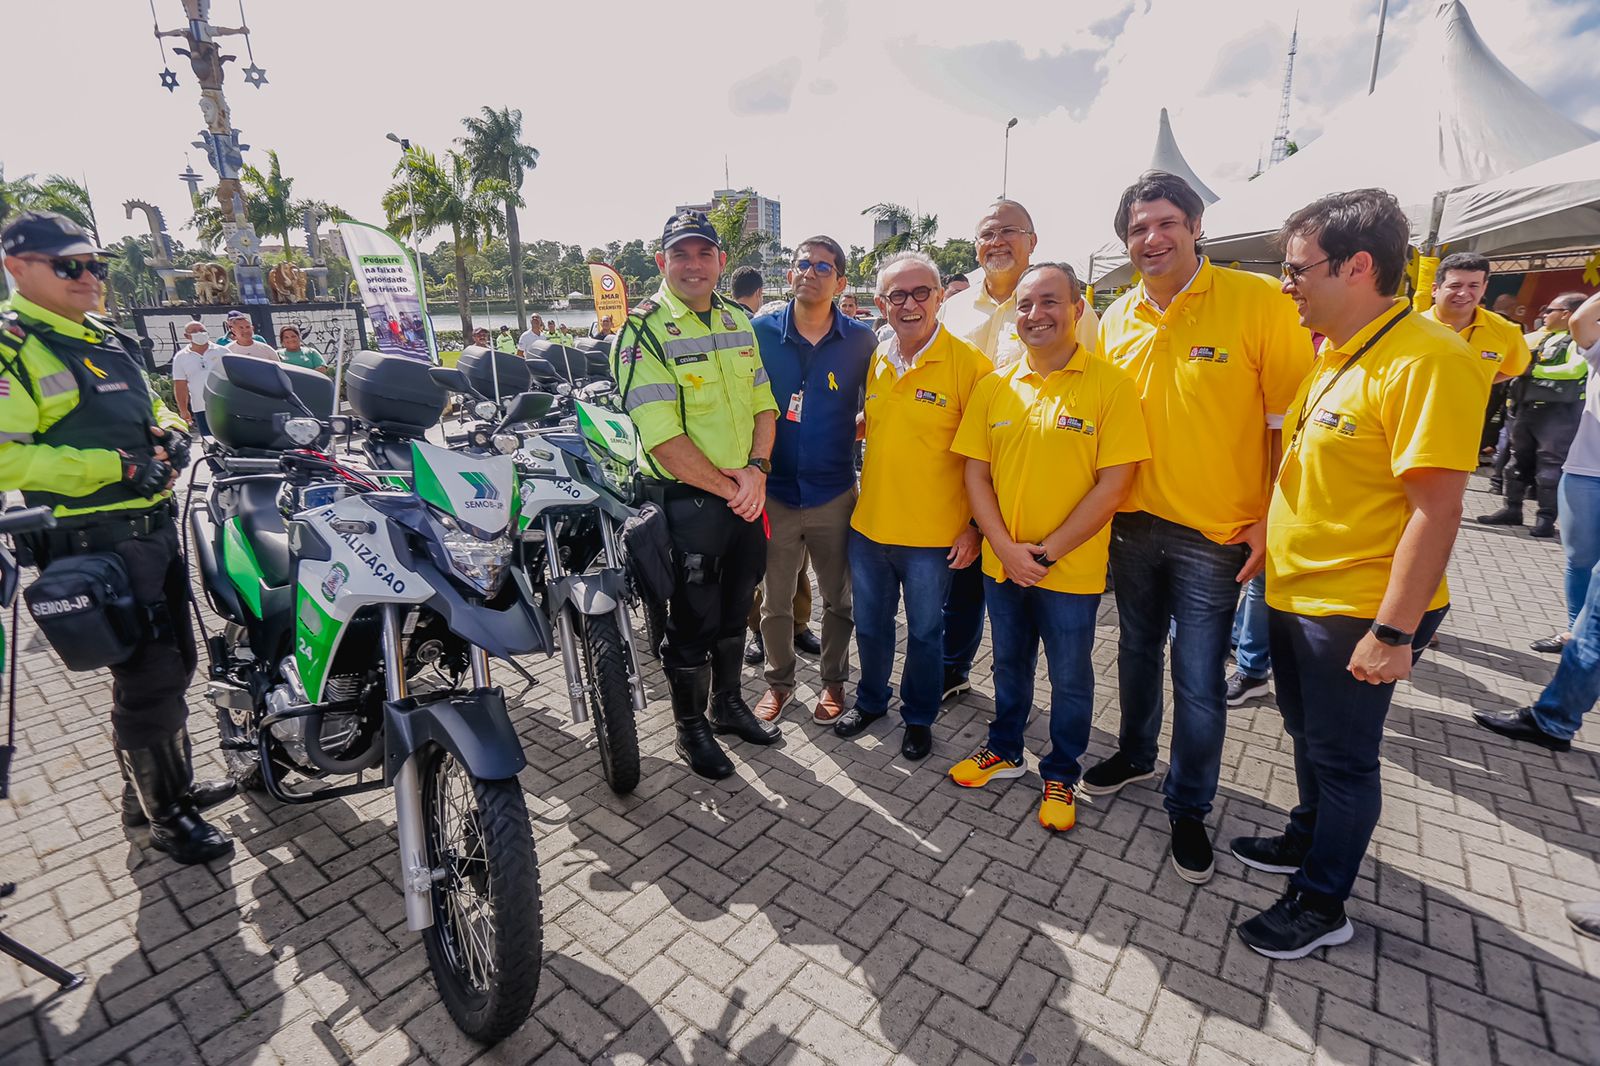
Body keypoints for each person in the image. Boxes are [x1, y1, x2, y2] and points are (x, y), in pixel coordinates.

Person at [1232, 188, 1481, 959]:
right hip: (1298, 592)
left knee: (1343, 760)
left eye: (1299, 268)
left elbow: (1435, 512)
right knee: (1307, 737)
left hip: (1359, 608)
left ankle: (1321, 901)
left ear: (1359, 265)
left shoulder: (1430, 360)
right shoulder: (1339, 355)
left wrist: (1393, 631)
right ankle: (1306, 840)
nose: (1288, 284)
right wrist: (1268, 544)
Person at [1082, 171, 1314, 886]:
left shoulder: (1256, 304)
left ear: (1195, 225)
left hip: (1214, 534)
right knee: (1137, 654)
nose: (1150, 238)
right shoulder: (1117, 318)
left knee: (1200, 679)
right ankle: (1135, 753)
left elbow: (1291, 427)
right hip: (1131, 525)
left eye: (1164, 223)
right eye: (1137, 228)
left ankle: (1189, 804)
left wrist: (1269, 521)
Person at [0, 211, 233, 865]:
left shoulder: (104, 336)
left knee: (175, 666)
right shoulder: (12, 347)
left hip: (152, 531)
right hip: (91, 541)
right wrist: (115, 467)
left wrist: (171, 431)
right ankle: (166, 817)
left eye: (93, 265)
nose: (88, 277)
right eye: (68, 266)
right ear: (17, 268)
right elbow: (5, 458)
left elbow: (149, 402)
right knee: (149, 679)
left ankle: (156, 791)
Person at [946, 263, 1149, 831]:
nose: (1036, 314)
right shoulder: (994, 386)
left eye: (1050, 302)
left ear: (1078, 309)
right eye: (1027, 305)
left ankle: (1061, 771)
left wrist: (1048, 552)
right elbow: (975, 477)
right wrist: (1006, 548)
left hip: (1070, 569)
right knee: (1008, 665)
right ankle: (1006, 749)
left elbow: (1116, 485)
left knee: (1071, 676)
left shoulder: (1111, 386)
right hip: (1004, 563)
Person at [610, 210, 780, 779]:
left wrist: (756, 471)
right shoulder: (643, 330)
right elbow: (662, 438)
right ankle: (690, 730)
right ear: (661, 262)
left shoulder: (738, 319)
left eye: (704, 253)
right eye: (680, 254)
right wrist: (736, 485)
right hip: (690, 504)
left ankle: (728, 706)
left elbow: (764, 404)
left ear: (720, 262)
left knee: (737, 609)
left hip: (745, 497)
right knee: (690, 625)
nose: (693, 264)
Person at [938, 200, 1102, 703]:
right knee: (959, 581)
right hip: (960, 467)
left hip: (1025, 476)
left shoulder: (1064, 306)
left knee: (1026, 603)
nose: (998, 241)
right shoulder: (955, 306)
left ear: (1033, 241)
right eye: (988, 233)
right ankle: (954, 669)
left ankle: (1036, 714)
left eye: (1011, 231)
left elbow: (1089, 388)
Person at [839, 251, 992, 761]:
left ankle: (919, 716)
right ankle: (871, 701)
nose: (909, 304)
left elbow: (986, 458)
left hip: (933, 537)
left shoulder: (971, 367)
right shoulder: (878, 358)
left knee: (926, 633)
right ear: (881, 304)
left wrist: (974, 527)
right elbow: (879, 422)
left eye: (920, 292)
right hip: (870, 528)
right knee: (873, 626)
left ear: (940, 296)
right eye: (896, 295)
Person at [748, 237, 874, 726]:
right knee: (774, 602)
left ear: (840, 281)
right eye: (803, 263)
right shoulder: (760, 333)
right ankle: (779, 684)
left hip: (834, 493)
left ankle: (833, 683)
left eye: (824, 266)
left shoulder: (862, 341)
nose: (811, 271)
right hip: (774, 493)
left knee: (838, 600)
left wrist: (849, 429)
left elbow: (880, 405)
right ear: (789, 275)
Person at [1476, 290, 1600, 738]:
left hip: (1563, 436)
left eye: (1551, 309)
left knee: (1599, 615)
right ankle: (1571, 633)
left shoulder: (1570, 344)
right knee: (1580, 567)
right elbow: (1581, 324)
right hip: (1584, 470)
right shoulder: (1560, 337)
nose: (1546, 314)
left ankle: (1555, 719)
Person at [1479, 292, 1589, 538]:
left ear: (1568, 314)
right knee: (1515, 464)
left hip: (1557, 413)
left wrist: (1532, 369)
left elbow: (1574, 370)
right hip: (1526, 408)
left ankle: (1545, 519)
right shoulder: (1541, 338)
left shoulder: (1578, 340)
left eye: (1550, 310)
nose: (1544, 314)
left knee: (1549, 469)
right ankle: (1512, 509)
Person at [1422, 253, 1531, 461]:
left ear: (1484, 289)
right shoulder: (1411, 328)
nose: (1463, 293)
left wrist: (1477, 379)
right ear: (1435, 289)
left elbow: (1514, 368)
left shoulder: (1505, 330)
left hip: (1461, 440)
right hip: (1404, 435)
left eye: (1473, 286)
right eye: (1455, 285)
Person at [170, 320, 219, 438]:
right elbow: (180, 385)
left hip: (225, 406)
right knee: (209, 442)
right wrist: (183, 409)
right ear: (187, 336)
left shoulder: (223, 351)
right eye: (194, 331)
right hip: (201, 408)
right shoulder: (181, 357)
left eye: (202, 330)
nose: (199, 333)